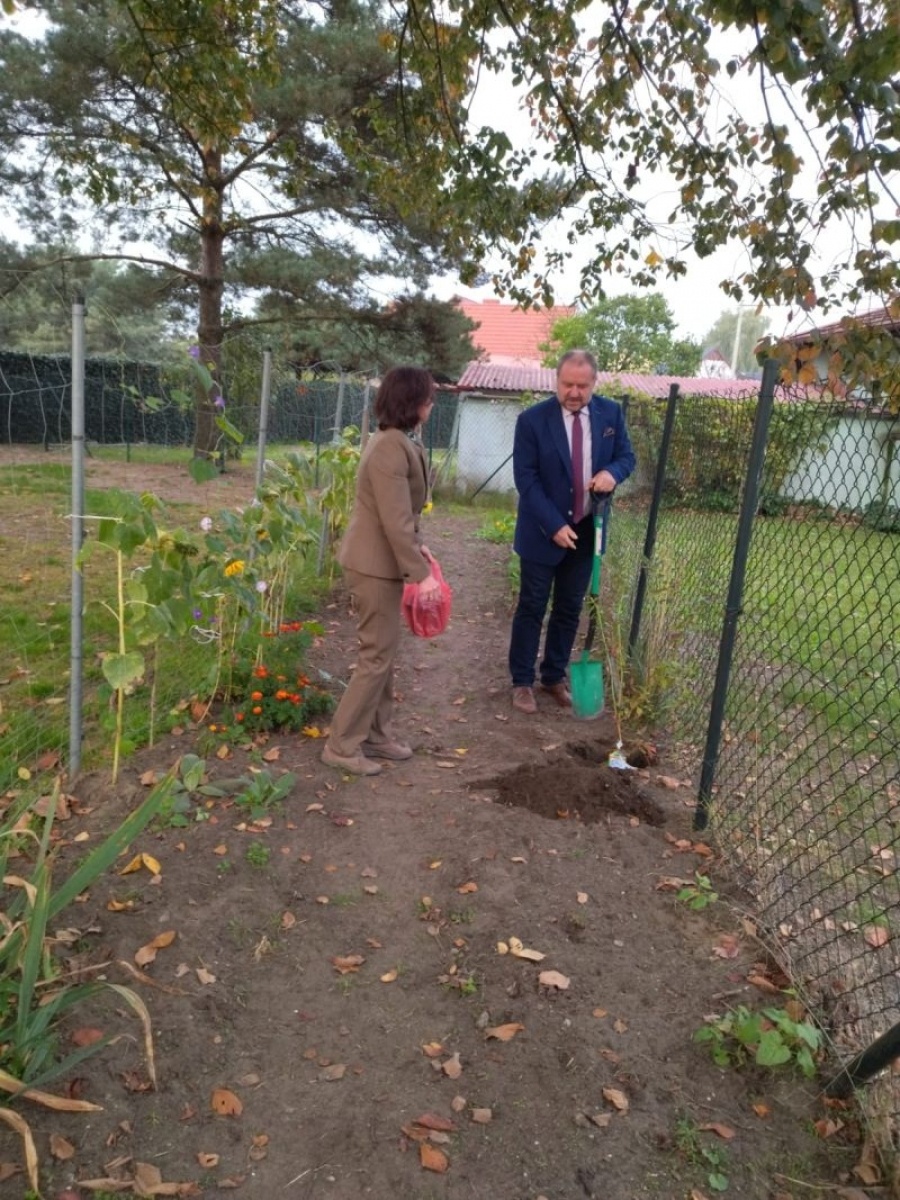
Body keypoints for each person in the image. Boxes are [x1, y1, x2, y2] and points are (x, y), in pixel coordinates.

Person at [321, 366, 441, 775]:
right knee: (376, 654)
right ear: (411, 401)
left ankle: (376, 734)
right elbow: (393, 520)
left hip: (382, 562)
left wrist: (417, 546)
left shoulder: (399, 442)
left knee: (384, 652)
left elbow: (400, 513)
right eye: (427, 396)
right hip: (373, 566)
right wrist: (420, 575)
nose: (431, 403)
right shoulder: (390, 446)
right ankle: (342, 744)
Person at [508, 349, 635, 714]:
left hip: (586, 528)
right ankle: (521, 682)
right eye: (567, 384)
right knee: (532, 606)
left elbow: (626, 456)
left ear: (594, 383)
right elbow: (526, 480)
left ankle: (553, 676)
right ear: (556, 381)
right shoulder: (532, 421)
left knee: (568, 608)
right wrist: (553, 525)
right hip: (541, 530)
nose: (574, 392)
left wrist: (614, 473)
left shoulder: (610, 414)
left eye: (582, 385)